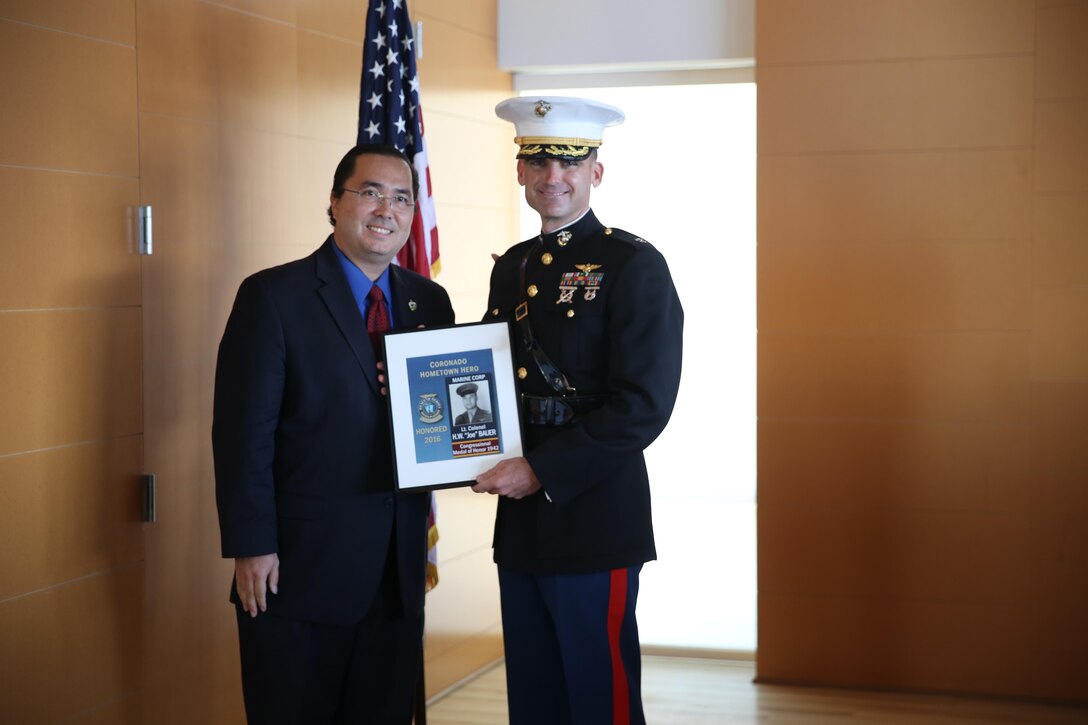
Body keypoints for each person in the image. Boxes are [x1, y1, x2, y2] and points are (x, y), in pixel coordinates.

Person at [212, 144, 455, 724]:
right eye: (370, 191)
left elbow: (441, 425)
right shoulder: (272, 297)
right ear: (335, 202)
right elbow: (243, 434)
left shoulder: (429, 302)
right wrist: (251, 545)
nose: (386, 210)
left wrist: (480, 453)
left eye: (401, 198)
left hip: (396, 575)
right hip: (297, 570)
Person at [472, 96, 684, 725]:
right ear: (520, 171)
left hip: (592, 513)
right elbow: (485, 376)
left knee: (598, 697)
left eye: (570, 160)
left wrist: (541, 470)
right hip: (521, 521)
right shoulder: (511, 269)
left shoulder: (633, 264)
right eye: (537, 160)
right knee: (534, 698)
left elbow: (643, 405)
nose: (552, 175)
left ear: (597, 171)